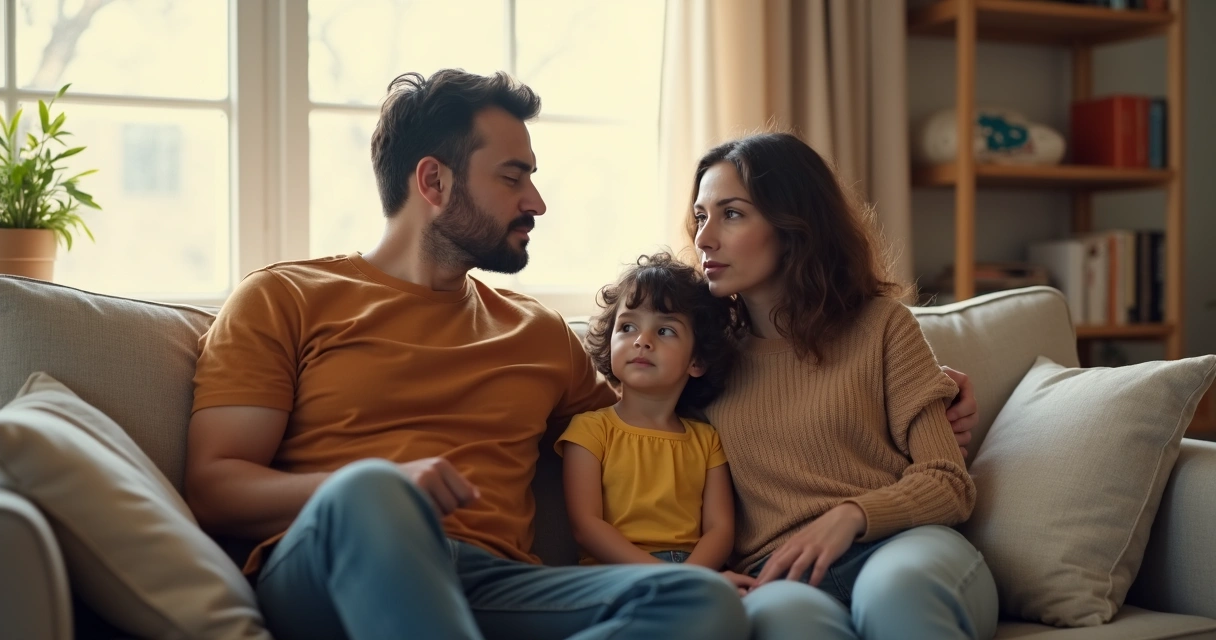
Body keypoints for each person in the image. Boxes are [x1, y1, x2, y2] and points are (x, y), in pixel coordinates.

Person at [183, 68, 979, 640]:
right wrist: (384, 484)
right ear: (433, 181)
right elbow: (215, 486)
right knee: (371, 497)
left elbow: (661, 408)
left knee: (695, 604)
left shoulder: (533, 335)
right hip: (330, 563)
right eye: (514, 176)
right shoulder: (285, 297)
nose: (536, 201)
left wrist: (920, 392)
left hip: (497, 585)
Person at [688, 132, 999, 640]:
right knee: (784, 625)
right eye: (701, 216)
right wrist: (698, 577)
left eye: (732, 214)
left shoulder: (882, 326)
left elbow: (948, 481)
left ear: (793, 224)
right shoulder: (701, 356)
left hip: (901, 547)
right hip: (783, 576)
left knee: (895, 593)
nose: (704, 237)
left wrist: (853, 515)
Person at [557, 253, 744, 585]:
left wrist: (691, 581)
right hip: (614, 576)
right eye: (628, 326)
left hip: (694, 572)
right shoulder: (589, 430)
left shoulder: (706, 440)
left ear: (697, 361)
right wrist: (671, 580)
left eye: (665, 330)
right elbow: (587, 527)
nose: (642, 340)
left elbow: (720, 530)